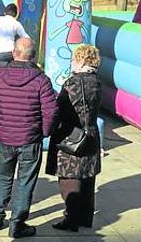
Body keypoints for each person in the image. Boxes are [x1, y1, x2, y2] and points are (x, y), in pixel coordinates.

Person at [0, 38, 57, 238]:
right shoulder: (41, 80)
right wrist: (44, 132)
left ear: (14, 53)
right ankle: (17, 223)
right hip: (30, 138)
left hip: (6, 137)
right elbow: (50, 111)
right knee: (25, 181)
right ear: (32, 56)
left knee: (4, 176)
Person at [46, 45, 102, 232]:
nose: (72, 62)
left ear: (81, 60)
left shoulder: (73, 83)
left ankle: (71, 219)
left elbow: (61, 109)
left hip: (73, 136)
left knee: (70, 178)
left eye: (74, 59)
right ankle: (86, 217)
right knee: (87, 176)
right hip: (91, 134)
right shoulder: (96, 81)